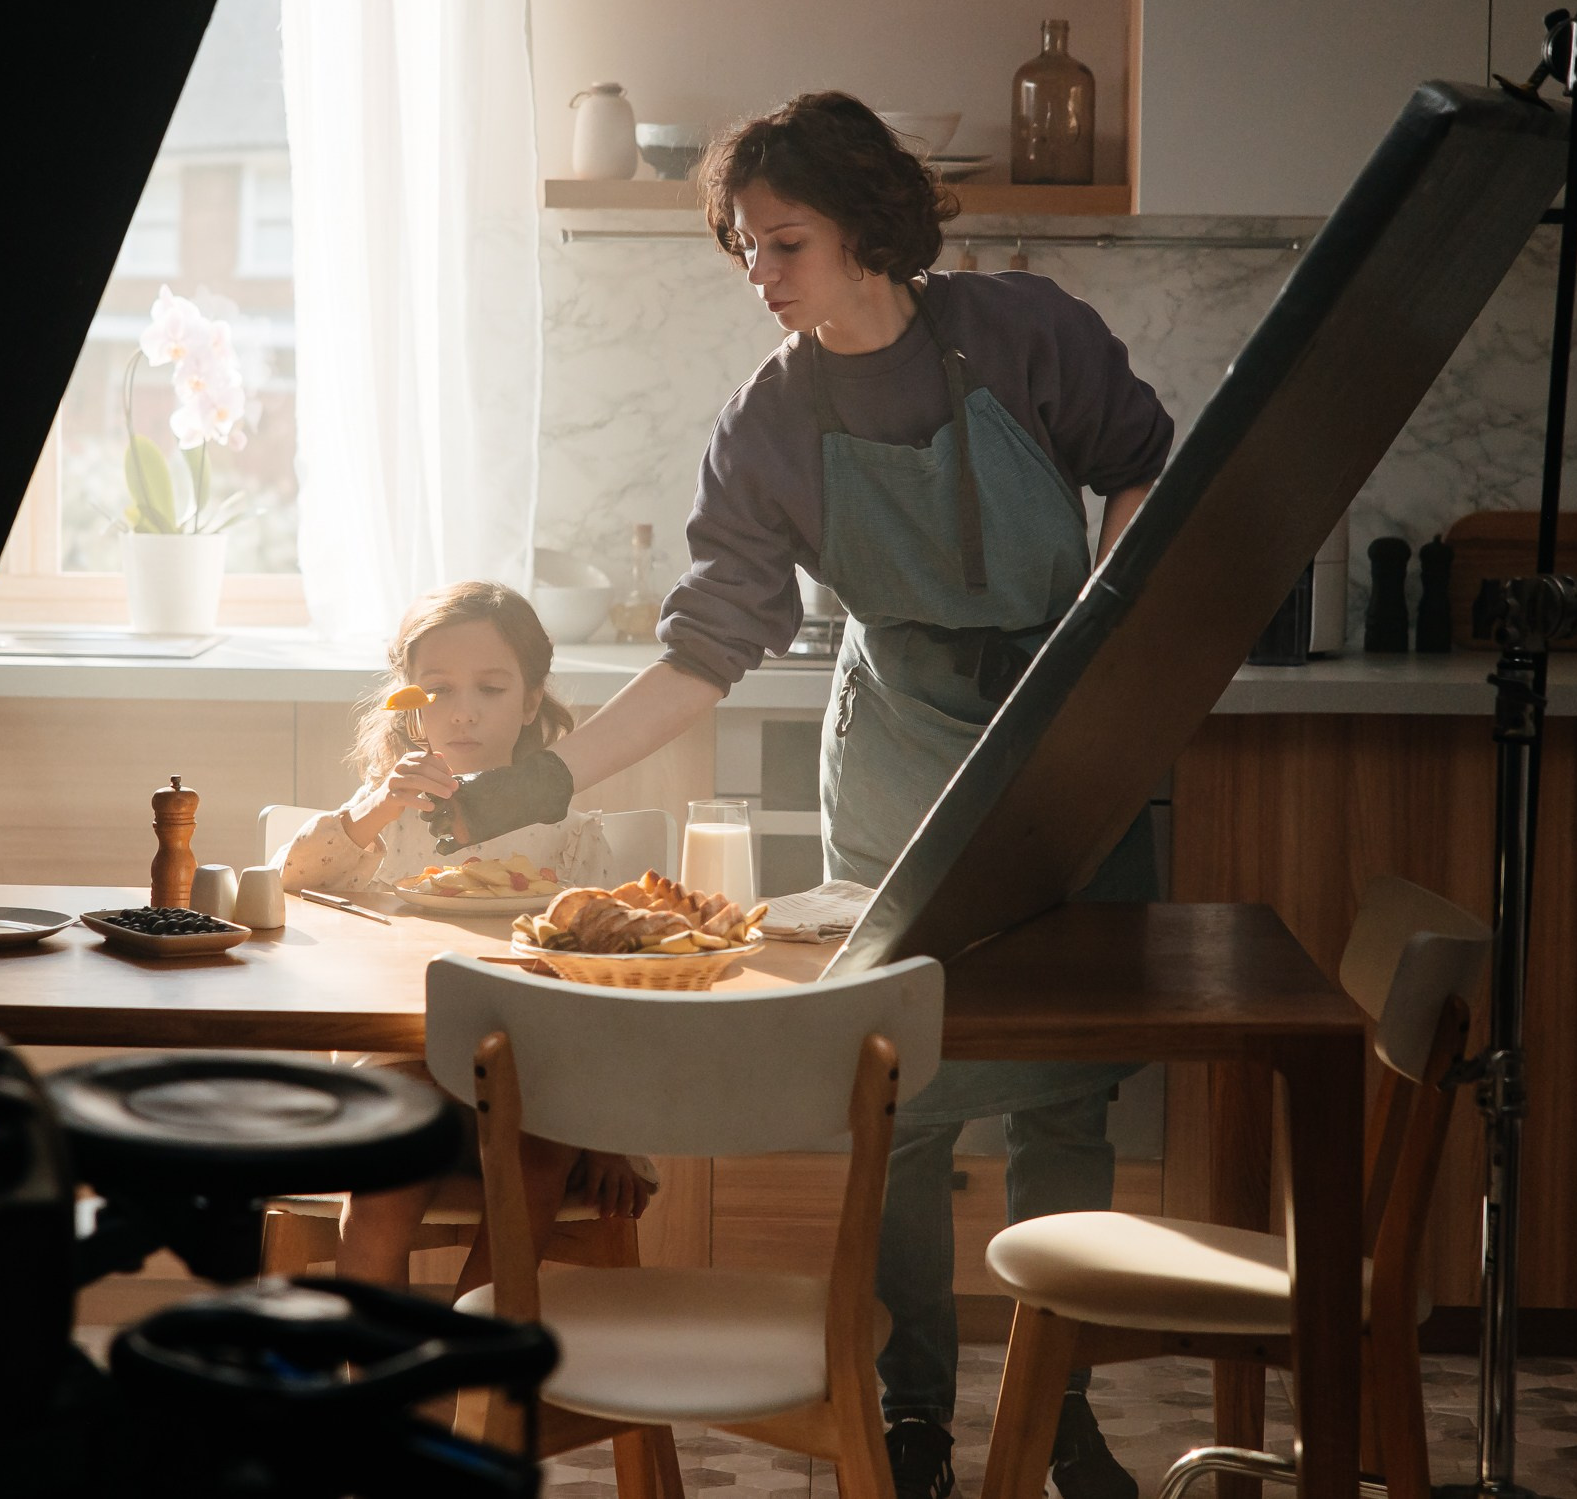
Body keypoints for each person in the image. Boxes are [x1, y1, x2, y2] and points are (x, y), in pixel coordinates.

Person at [434, 93, 1171, 1499]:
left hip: (1069, 740)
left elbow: (1142, 466)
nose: (759, 275)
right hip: (900, 751)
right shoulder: (769, 422)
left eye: (785, 243)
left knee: (1068, 1096)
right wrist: (537, 778)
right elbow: (703, 652)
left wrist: (1096, 646)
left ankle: (1060, 1410)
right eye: (744, 249)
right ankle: (910, 1417)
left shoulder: (1027, 333)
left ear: (867, 229)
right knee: (905, 1097)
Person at [280, 581, 650, 1291]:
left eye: (491, 688)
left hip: (537, 1077)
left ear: (531, 701)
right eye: (439, 689)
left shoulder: (570, 833)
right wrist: (375, 806)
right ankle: (375, 1359)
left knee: (539, 1162)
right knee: (383, 1190)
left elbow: (611, 984)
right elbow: (288, 881)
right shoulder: (392, 815)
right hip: (403, 1061)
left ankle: (471, 1350)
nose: (463, 711)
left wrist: (609, 1135)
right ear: (411, 702)